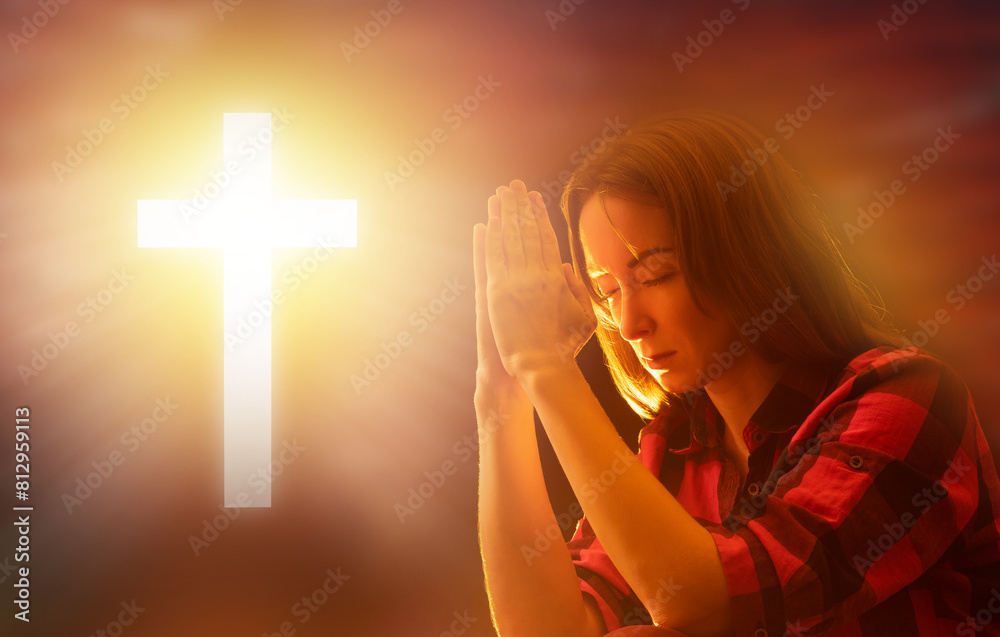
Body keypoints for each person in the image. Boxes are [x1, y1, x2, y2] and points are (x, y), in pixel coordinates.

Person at [471, 111, 1000, 636]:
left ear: (748, 253)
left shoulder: (907, 396)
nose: (628, 323)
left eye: (656, 274)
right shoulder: (669, 451)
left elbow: (721, 605)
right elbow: (543, 630)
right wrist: (502, 397)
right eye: (607, 292)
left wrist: (548, 368)